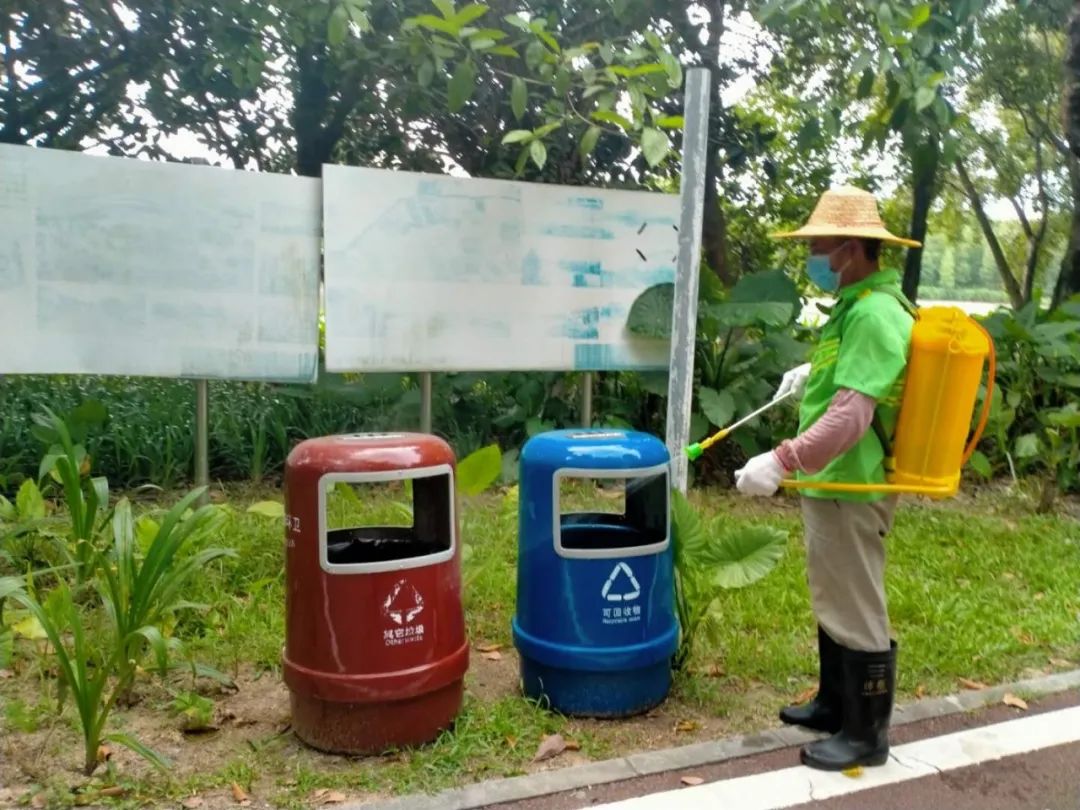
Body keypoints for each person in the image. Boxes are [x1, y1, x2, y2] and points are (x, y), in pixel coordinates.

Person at [733, 185, 919, 772]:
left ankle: (866, 735)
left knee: (856, 602)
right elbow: (846, 382)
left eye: (819, 241)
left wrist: (783, 459)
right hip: (833, 482)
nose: (812, 249)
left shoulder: (875, 313)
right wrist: (810, 372)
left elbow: (853, 414)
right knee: (833, 594)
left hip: (852, 482)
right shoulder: (855, 305)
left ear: (850, 248)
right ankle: (834, 703)